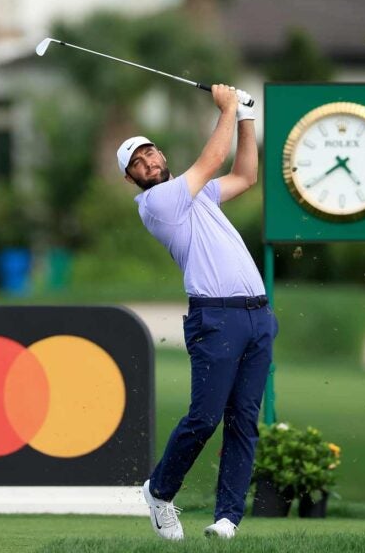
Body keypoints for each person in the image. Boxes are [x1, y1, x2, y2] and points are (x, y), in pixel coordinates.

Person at [118, 85, 277, 540]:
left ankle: (227, 519)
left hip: (256, 317)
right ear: (132, 179)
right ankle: (160, 491)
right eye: (138, 164)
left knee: (244, 420)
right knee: (205, 418)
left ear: (161, 154)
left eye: (150, 154)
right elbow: (210, 160)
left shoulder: (199, 195)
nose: (148, 163)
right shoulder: (158, 204)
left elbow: (244, 175)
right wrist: (227, 108)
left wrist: (246, 116)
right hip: (216, 318)